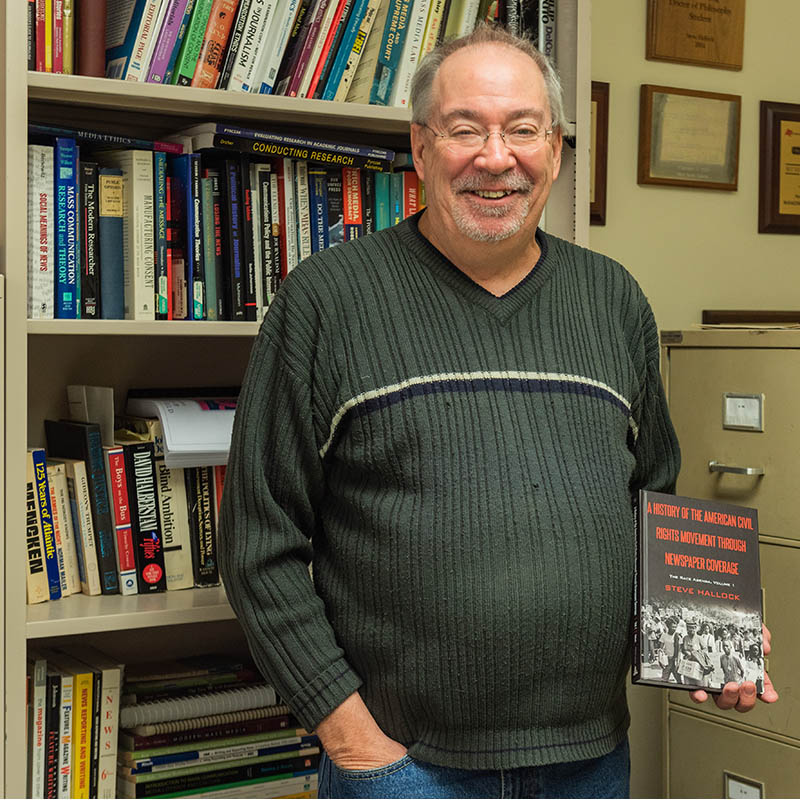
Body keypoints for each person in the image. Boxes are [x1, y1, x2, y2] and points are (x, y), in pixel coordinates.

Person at [218, 24, 777, 800]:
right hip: (406, 768)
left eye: (522, 129)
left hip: (590, 763)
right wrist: (354, 741)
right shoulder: (326, 300)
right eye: (464, 129)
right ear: (420, 148)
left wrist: (711, 640)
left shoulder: (613, 299)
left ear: (553, 150)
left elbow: (656, 498)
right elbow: (257, 543)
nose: (495, 156)